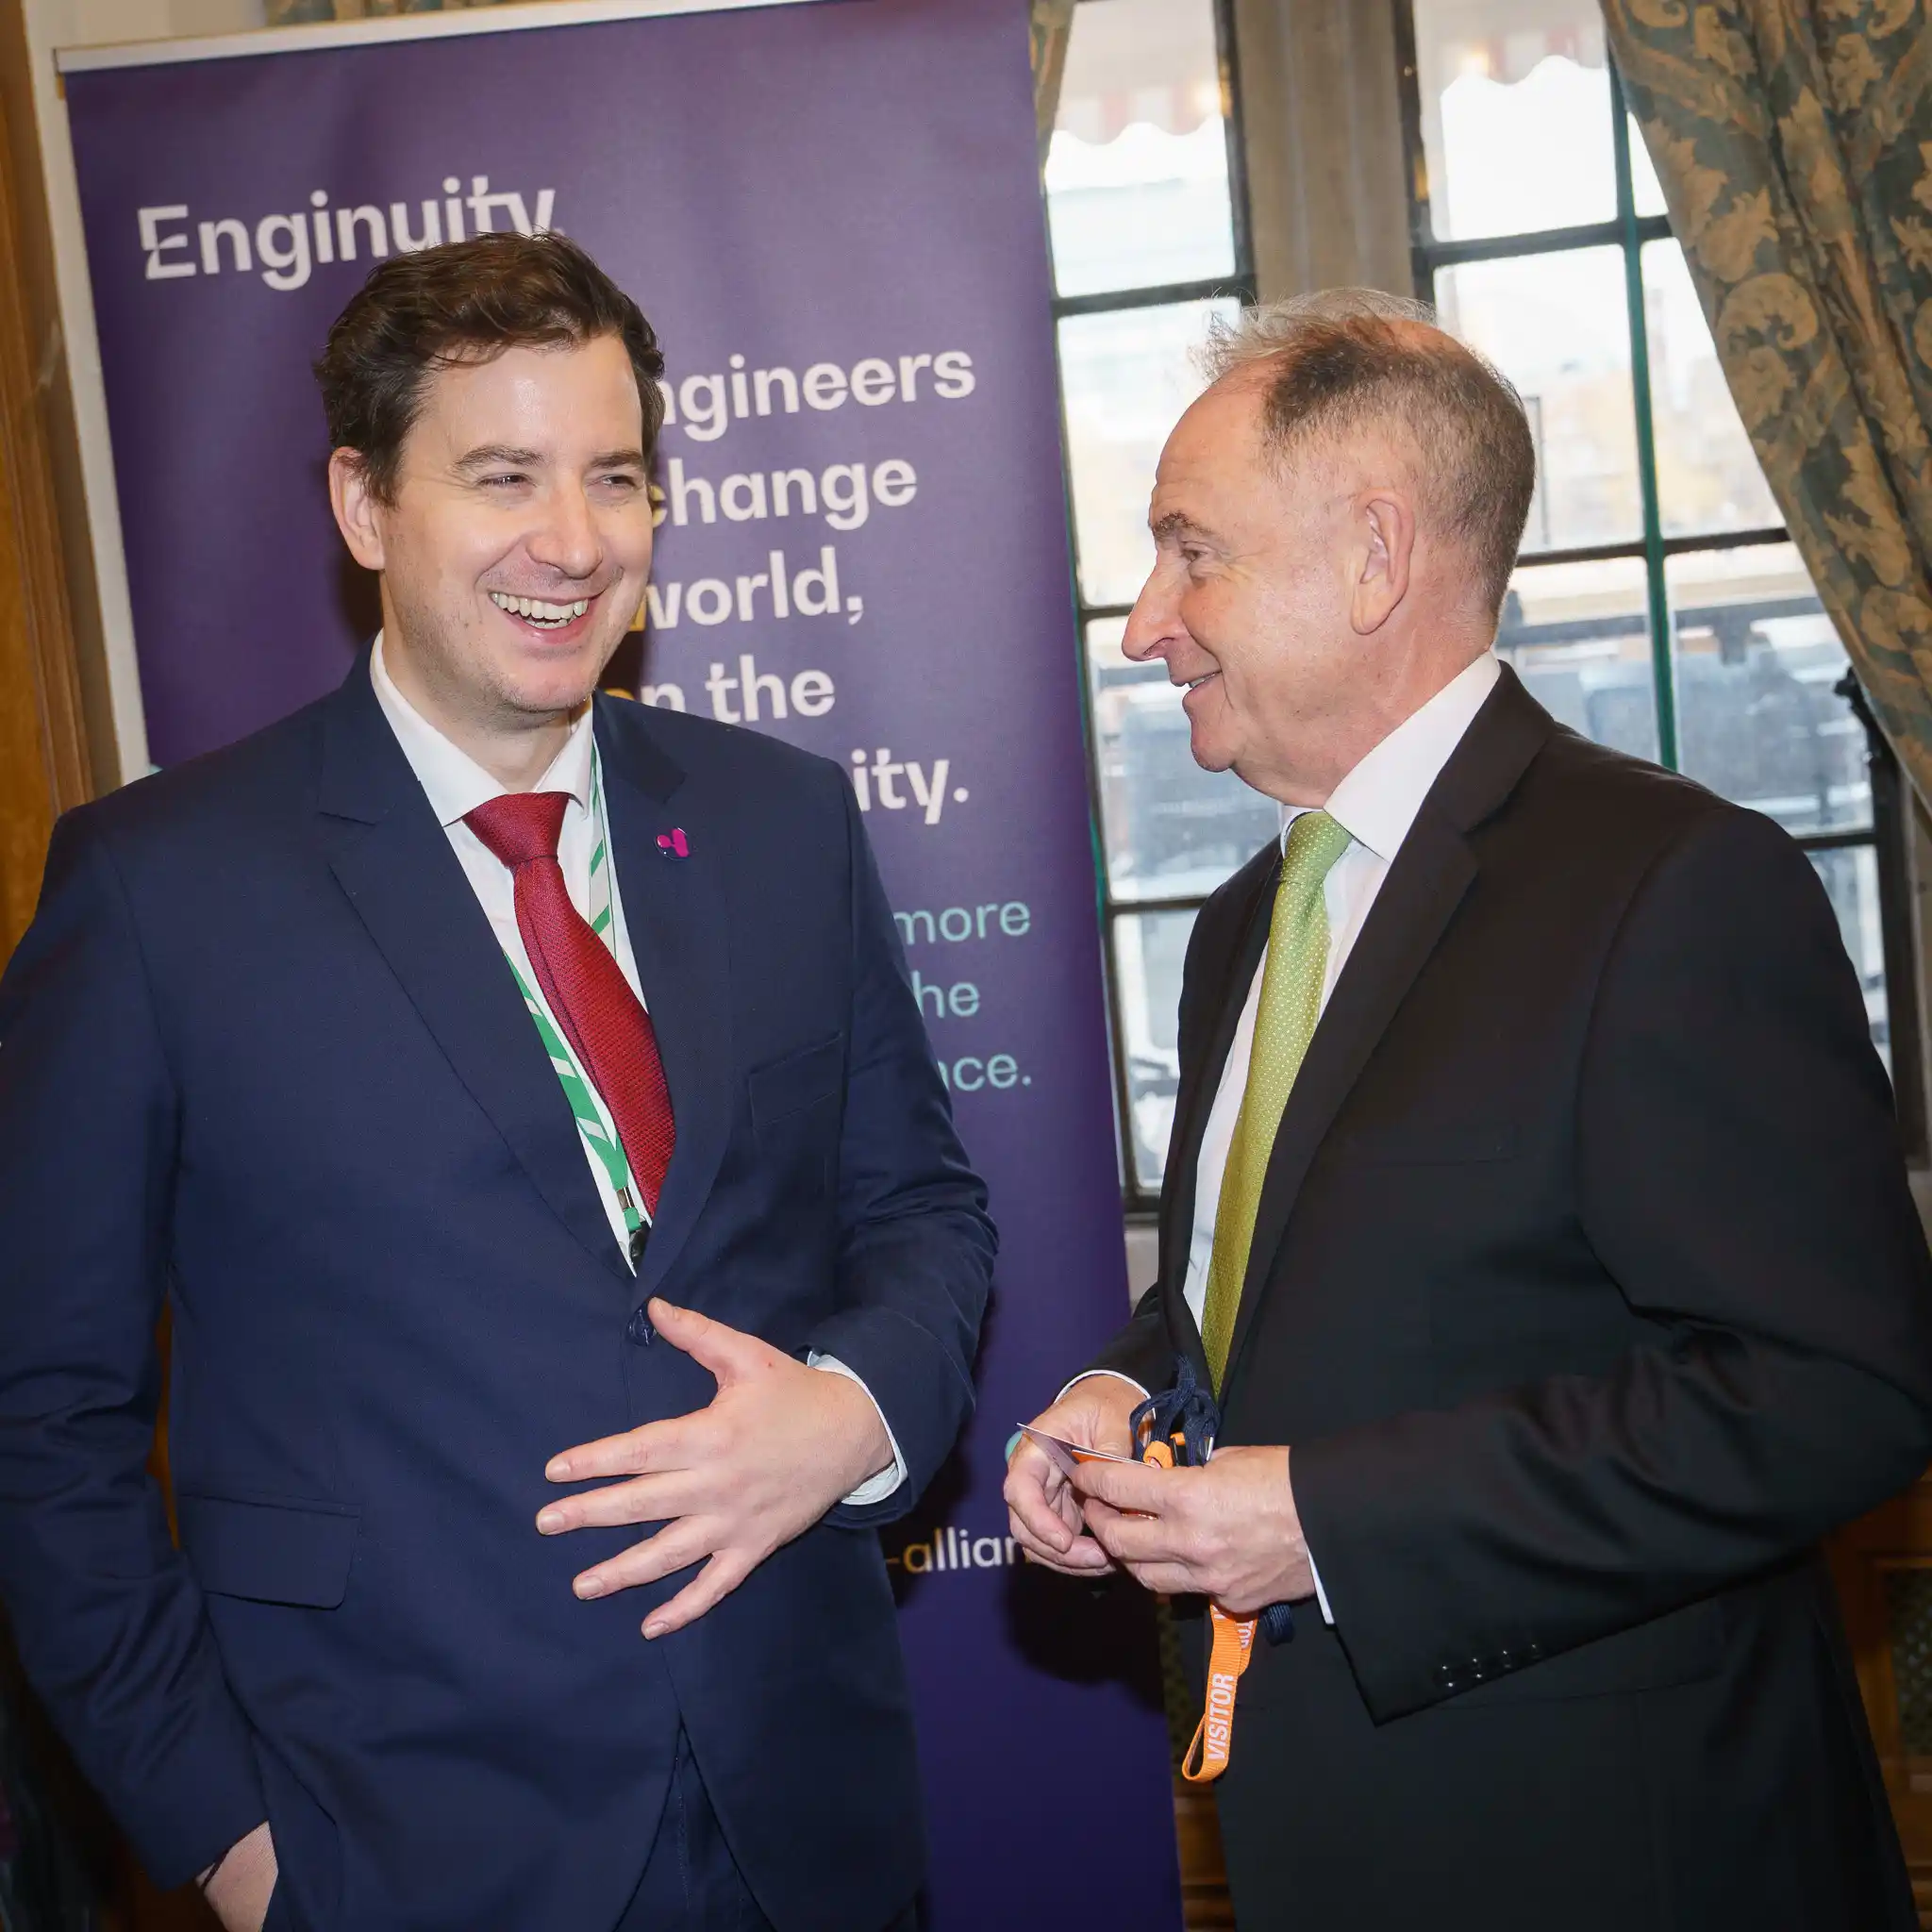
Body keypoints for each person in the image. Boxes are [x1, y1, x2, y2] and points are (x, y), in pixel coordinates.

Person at [0, 232, 993, 1932]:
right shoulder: (159, 889)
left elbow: (922, 1209)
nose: (574, 541)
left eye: (615, 476)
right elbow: (41, 1413)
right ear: (365, 506)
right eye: (502, 476)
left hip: (804, 1814)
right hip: (391, 1838)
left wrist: (854, 1413)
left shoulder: (780, 822)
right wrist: (231, 1844)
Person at [1006, 289, 1932, 1929]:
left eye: (1189, 549)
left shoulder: (1671, 886)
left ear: (1374, 554)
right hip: (1321, 1842)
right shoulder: (1245, 923)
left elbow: (1834, 1393)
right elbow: (1272, 1287)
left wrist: (1326, 1518)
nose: (1145, 621)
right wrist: (1121, 1388)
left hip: (1622, 1858)